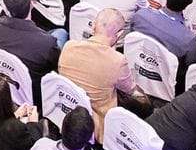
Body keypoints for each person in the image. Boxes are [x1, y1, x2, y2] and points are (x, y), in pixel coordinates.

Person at [58, 8, 147, 140]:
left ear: (93, 25)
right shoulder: (118, 60)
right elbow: (130, 90)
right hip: (96, 126)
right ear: (119, 34)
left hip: (65, 111)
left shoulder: (68, 46)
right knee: (142, 100)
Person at [0, 0, 60, 87]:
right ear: (31, 5)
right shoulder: (47, 43)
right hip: (33, 93)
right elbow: (56, 68)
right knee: (61, 33)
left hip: (4, 84)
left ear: (5, 8)